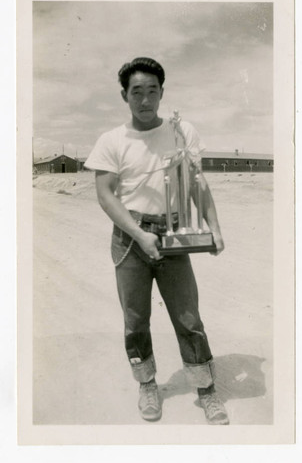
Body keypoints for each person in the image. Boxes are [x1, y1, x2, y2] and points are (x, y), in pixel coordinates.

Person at [84, 57, 229, 425]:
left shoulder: (182, 132)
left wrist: (215, 227)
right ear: (124, 96)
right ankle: (147, 383)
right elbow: (106, 196)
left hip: (173, 236)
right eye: (137, 92)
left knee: (188, 317)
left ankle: (205, 388)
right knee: (135, 320)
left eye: (152, 91)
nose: (145, 99)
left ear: (162, 93)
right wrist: (139, 235)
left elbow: (196, 183)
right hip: (130, 240)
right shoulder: (111, 140)